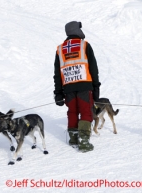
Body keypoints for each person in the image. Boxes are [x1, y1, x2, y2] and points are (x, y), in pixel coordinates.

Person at [53, 21, 101, 153]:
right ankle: (84, 142)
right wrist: (96, 88)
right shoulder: (84, 45)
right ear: (76, 30)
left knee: (72, 112)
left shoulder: (60, 49)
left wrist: (58, 93)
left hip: (68, 88)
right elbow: (93, 69)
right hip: (84, 86)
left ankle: (73, 138)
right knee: (86, 112)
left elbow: (57, 74)